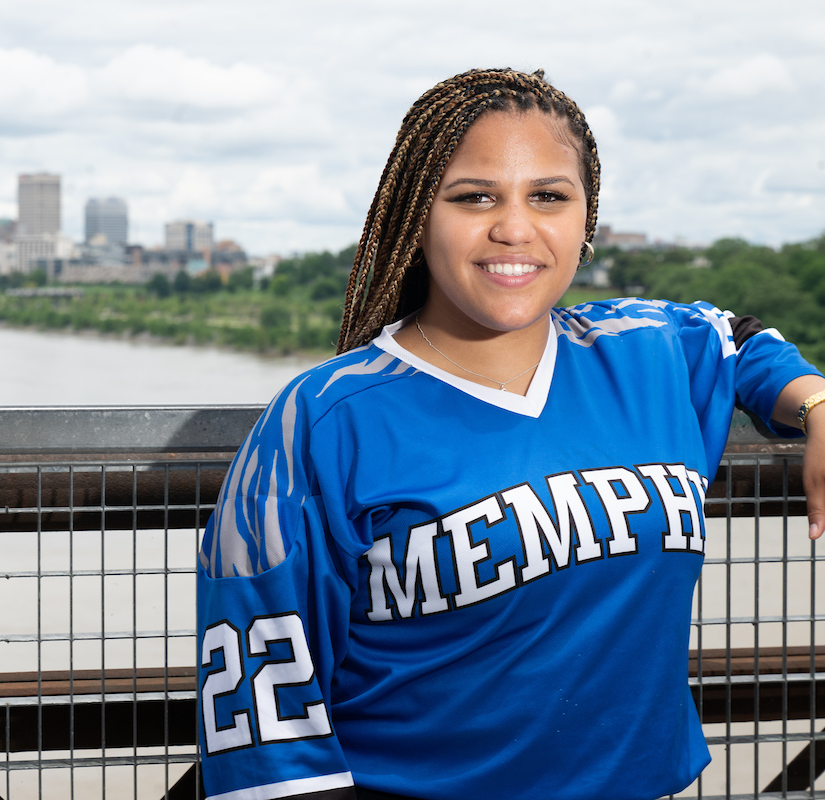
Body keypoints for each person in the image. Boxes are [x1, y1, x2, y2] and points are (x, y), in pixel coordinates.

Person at [195, 67, 825, 800]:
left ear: (586, 220)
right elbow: (263, 713)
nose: (515, 228)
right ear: (415, 216)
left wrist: (815, 405)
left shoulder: (647, 352)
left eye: (549, 197)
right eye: (474, 197)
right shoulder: (326, 418)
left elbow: (741, 342)